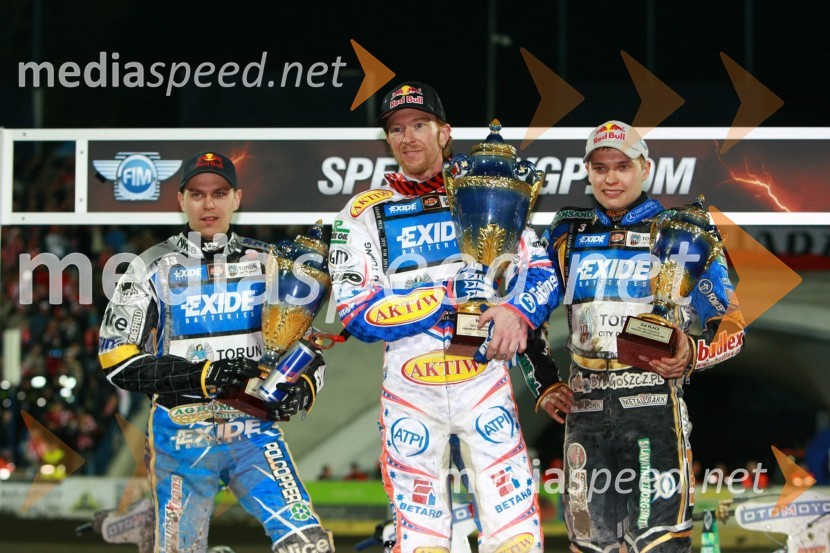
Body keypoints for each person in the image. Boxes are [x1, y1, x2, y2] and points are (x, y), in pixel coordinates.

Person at [328, 81, 560, 553]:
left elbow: (544, 274)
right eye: (397, 129)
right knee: (422, 538)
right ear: (388, 140)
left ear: (444, 131)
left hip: (483, 378)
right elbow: (355, 312)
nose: (408, 137)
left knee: (513, 529)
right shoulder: (362, 214)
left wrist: (516, 311)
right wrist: (441, 300)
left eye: (419, 125)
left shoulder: (487, 189)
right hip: (410, 388)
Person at [98, 151, 332, 553]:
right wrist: (200, 376)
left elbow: (308, 349)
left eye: (219, 193)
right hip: (181, 436)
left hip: (253, 435)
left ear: (237, 198)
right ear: (181, 199)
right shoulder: (150, 267)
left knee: (309, 545)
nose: (209, 204)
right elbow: (115, 360)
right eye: (198, 194)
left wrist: (304, 385)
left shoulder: (270, 262)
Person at [538, 121, 746, 553]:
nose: (611, 178)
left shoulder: (683, 230)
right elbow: (527, 312)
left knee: (660, 545)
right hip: (585, 412)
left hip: (653, 412)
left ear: (645, 168)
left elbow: (732, 327)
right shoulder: (566, 232)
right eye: (600, 168)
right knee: (589, 545)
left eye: (622, 166)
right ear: (587, 171)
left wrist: (691, 352)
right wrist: (544, 382)